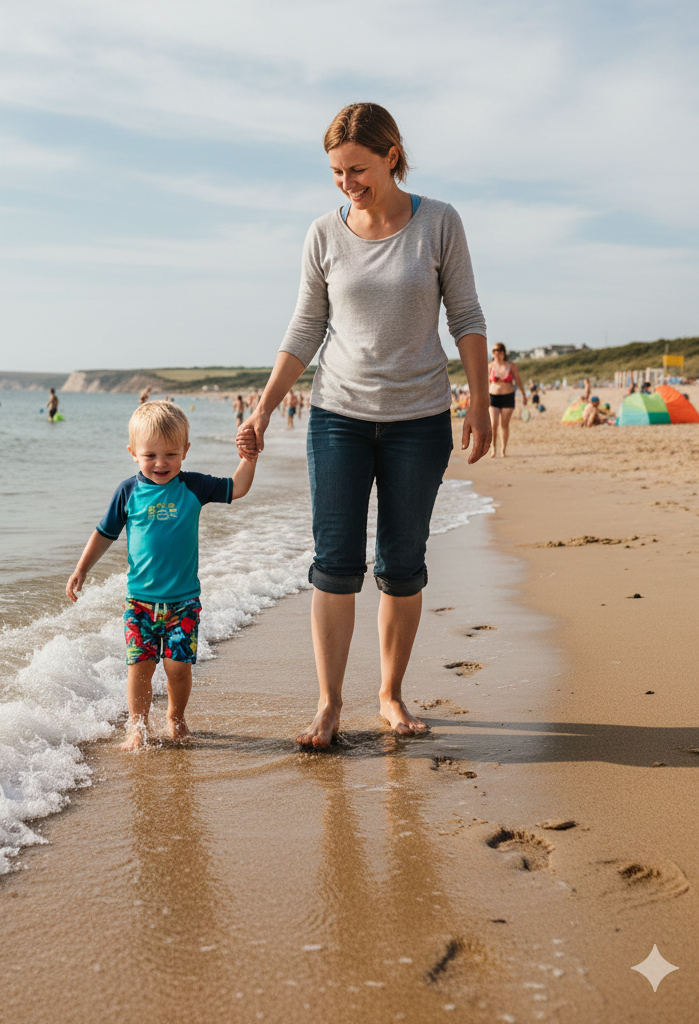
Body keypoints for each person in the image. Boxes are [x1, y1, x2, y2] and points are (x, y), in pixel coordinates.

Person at [236, 101, 491, 745]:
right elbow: (305, 326)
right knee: (334, 563)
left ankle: (389, 695)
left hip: (420, 418)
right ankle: (328, 704)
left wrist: (480, 402)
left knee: (402, 563)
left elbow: (465, 316)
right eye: (336, 172)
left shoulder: (439, 222)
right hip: (337, 417)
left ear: (392, 156)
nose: (348, 182)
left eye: (358, 169)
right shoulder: (323, 233)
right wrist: (265, 406)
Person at [66, 401, 257, 750]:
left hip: (184, 603)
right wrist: (82, 569)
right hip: (139, 603)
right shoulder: (128, 492)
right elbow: (104, 533)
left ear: (185, 451)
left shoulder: (194, 486)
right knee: (139, 667)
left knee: (177, 669)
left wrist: (250, 458)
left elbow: (238, 487)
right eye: (150, 455)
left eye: (170, 454)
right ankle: (137, 726)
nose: (161, 463)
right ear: (133, 453)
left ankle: (176, 716)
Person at [488, 343, 527, 457]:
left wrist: (524, 395)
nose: (497, 353)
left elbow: (518, 381)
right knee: (493, 424)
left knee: (504, 424)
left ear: (504, 353)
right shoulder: (490, 366)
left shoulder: (511, 366)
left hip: (507, 396)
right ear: (492, 353)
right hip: (493, 396)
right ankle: (493, 449)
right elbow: (485, 383)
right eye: (495, 350)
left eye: (500, 351)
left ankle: (503, 450)